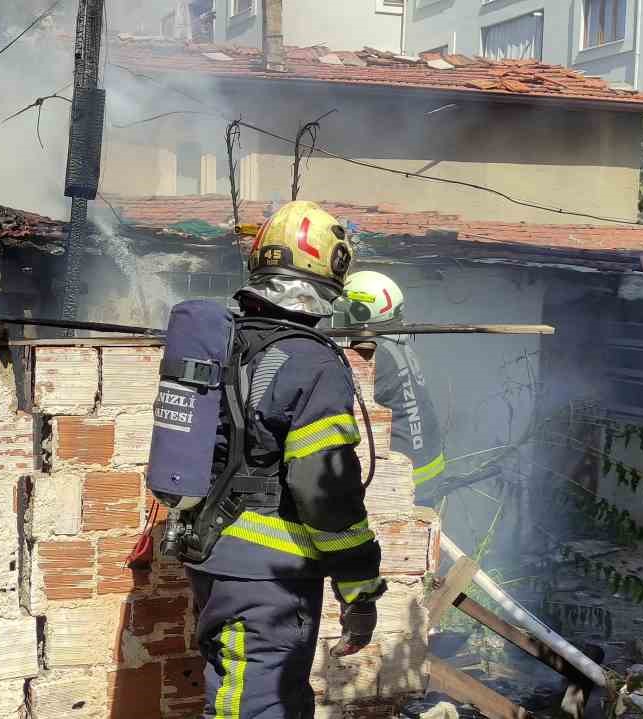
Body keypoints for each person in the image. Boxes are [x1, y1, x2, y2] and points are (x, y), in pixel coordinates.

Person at [187, 201, 385, 719]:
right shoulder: (313, 362)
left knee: (253, 695)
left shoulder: (222, 343)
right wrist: (360, 586)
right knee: (256, 708)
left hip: (210, 553)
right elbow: (324, 488)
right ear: (329, 272)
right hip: (267, 577)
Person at [342, 271, 448, 502]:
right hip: (426, 470)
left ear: (361, 311)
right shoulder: (395, 342)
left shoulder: (372, 353)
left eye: (344, 308)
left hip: (404, 480)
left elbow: (339, 401)